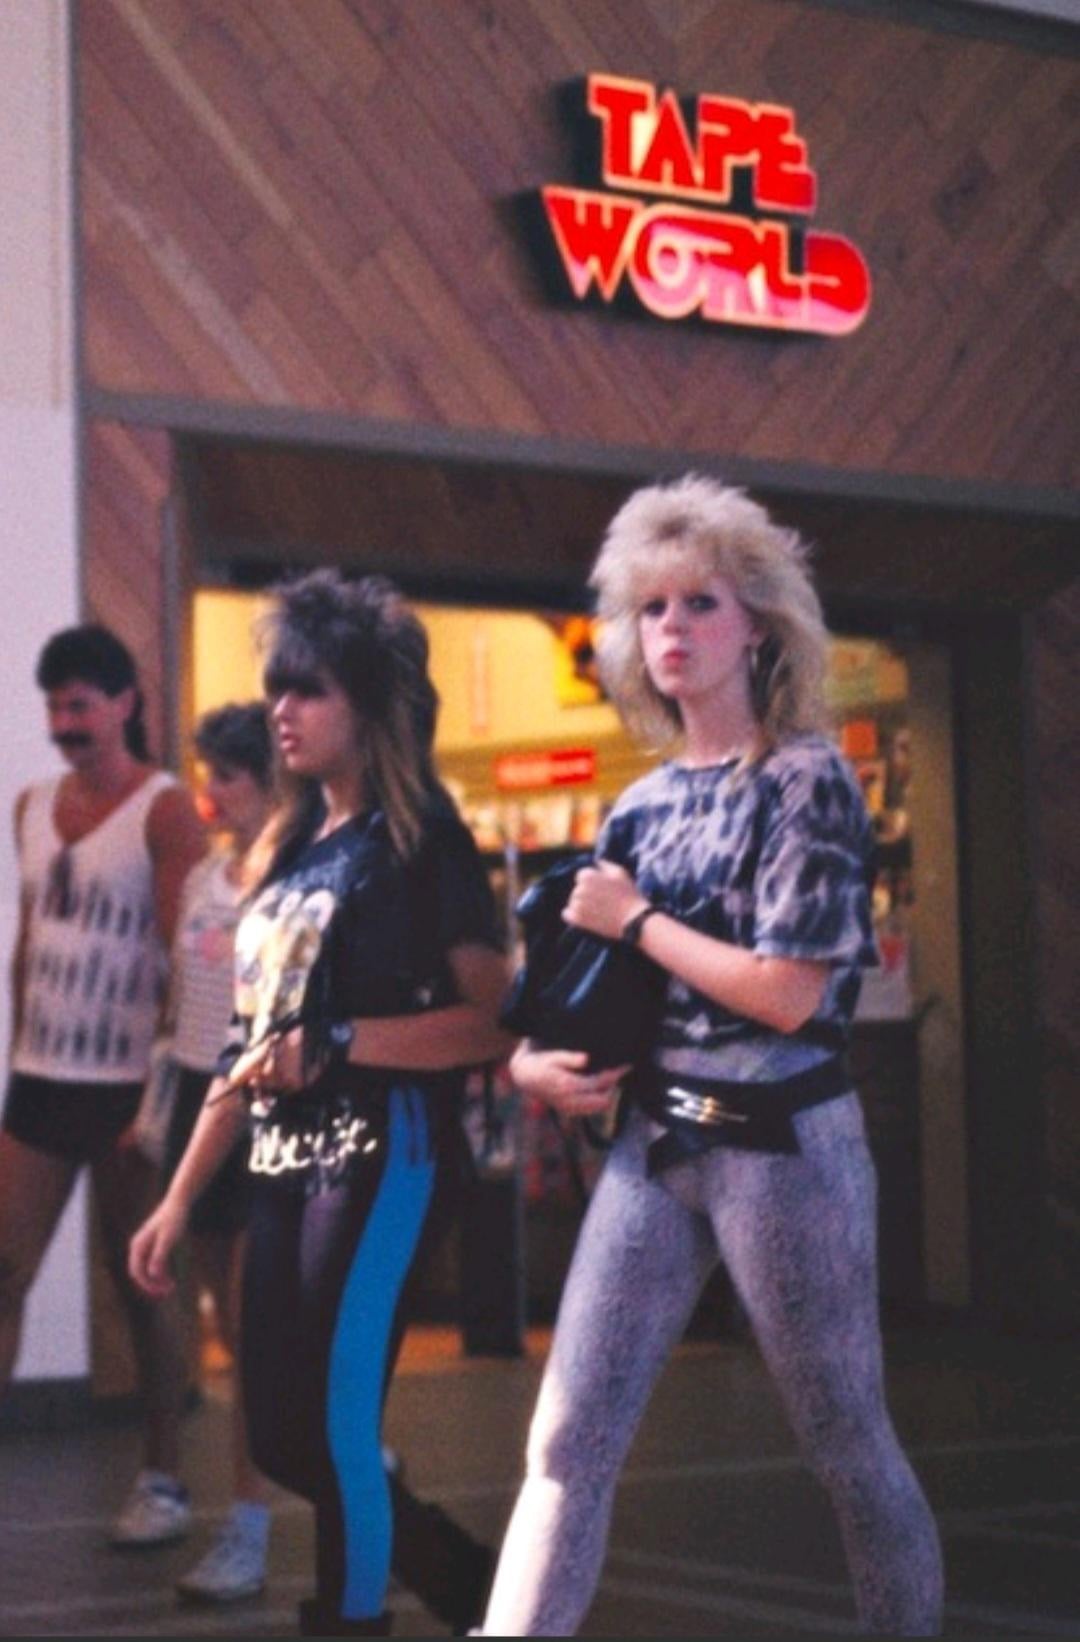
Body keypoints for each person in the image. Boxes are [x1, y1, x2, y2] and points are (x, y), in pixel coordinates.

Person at [480, 476, 944, 1637]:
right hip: (657, 1138)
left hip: (783, 1141)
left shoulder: (808, 779)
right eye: (652, 609)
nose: (673, 628)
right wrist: (538, 1065)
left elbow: (791, 995)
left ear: (760, 626)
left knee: (846, 1437)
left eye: (701, 603)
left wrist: (636, 919)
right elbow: (601, 1001)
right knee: (565, 1439)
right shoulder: (638, 807)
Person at [131, 571, 511, 1637]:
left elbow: (496, 1022)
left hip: (388, 1156)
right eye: (276, 690)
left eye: (309, 690)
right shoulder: (291, 850)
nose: (281, 712)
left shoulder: (421, 837)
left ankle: (354, 1620)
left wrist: (345, 1040)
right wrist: (175, 1200)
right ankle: (472, 1585)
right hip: (283, 1163)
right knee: (286, 1432)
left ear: (369, 704)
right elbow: (249, 1051)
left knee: (336, 1423)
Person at [0, 624, 207, 1545]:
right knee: (3, 1271)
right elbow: (29, 942)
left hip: (127, 1088)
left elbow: (185, 956)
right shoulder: (30, 805)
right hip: (42, 1079)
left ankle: (162, 1478)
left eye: (80, 703)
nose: (64, 723)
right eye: (54, 707)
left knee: (144, 1290)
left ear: (126, 702)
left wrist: (160, 1093)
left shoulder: (166, 811)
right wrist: (15, 1054)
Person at [160, 703, 276, 1601]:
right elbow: (182, 1004)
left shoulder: (291, 878)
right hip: (198, 1110)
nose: (209, 793)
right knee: (230, 1333)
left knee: (257, 1329)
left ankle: (249, 1525)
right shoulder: (207, 873)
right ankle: (327, 1442)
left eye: (225, 777)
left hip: (260, 1118)